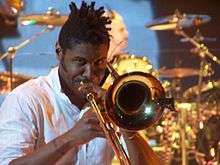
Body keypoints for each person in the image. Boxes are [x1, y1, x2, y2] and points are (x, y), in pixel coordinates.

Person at [0, 1, 161, 165]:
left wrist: (125, 124)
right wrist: (71, 138)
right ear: (59, 52)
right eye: (80, 62)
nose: (90, 74)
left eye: (99, 62)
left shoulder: (108, 102)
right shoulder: (25, 99)